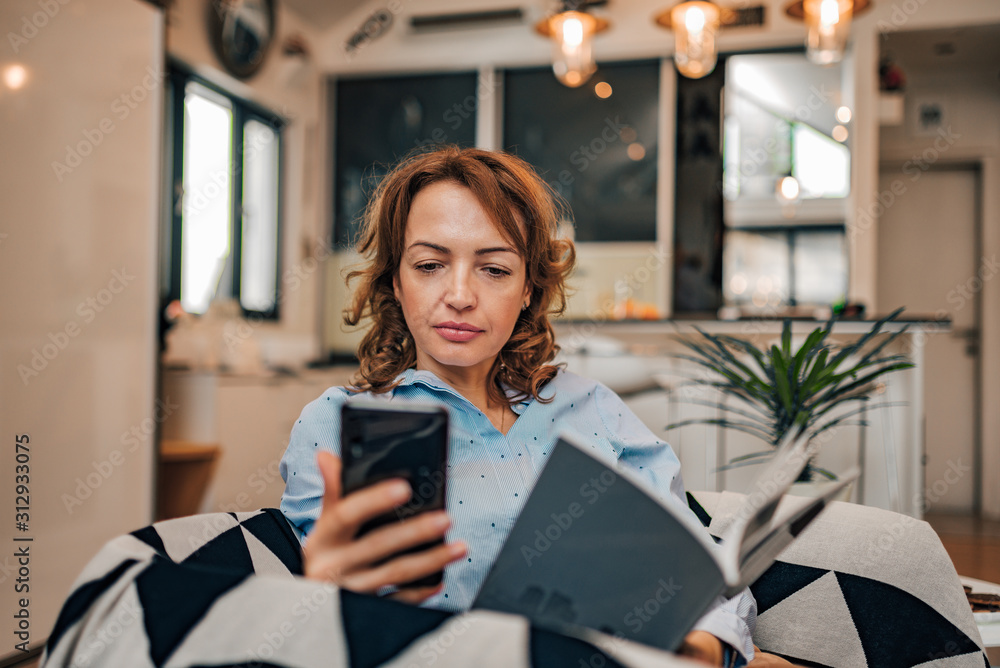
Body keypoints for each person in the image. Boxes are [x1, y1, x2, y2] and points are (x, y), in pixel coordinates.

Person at [280, 146, 760, 667]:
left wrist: (702, 651)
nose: (460, 295)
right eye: (429, 264)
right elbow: (330, 621)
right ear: (396, 281)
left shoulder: (594, 409)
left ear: (529, 287)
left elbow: (700, 571)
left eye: (494, 270)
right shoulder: (334, 425)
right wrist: (326, 591)